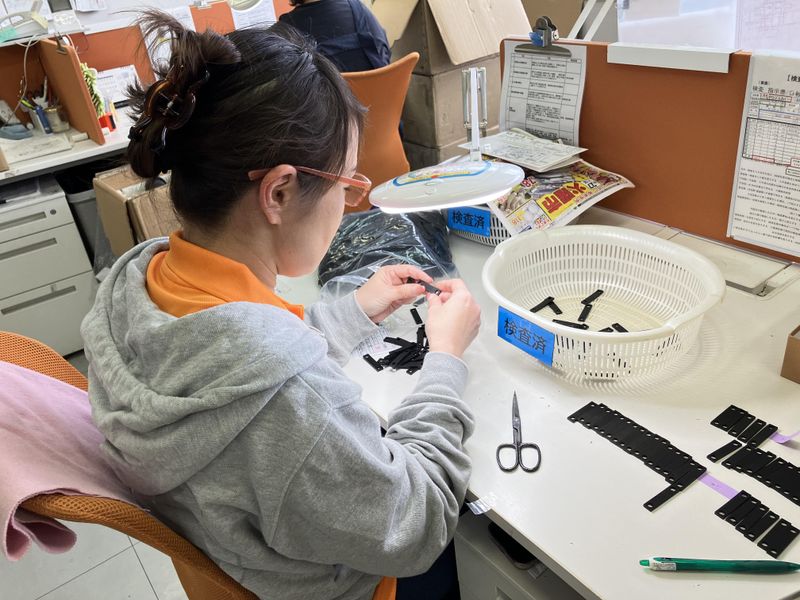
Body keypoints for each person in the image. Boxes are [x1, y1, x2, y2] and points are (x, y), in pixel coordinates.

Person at [81, 11, 481, 600]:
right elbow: (415, 524)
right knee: (484, 544)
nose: (349, 203)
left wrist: (350, 311)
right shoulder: (294, 409)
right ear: (280, 192)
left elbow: (234, 359)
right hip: (338, 584)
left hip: (248, 558)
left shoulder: (136, 290)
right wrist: (445, 360)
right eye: (346, 183)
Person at [279, 0, 391, 72]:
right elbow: (384, 52)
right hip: (383, 97)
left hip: (330, 102)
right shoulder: (357, 8)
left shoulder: (284, 30)